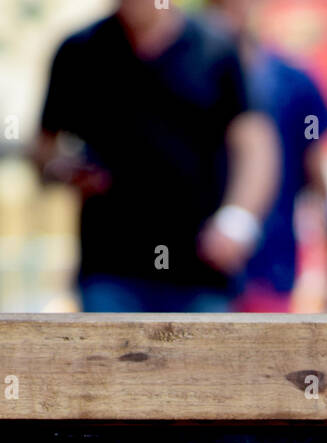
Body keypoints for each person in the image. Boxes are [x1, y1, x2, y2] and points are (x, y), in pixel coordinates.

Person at [33, 0, 280, 311]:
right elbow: (43, 146)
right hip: (111, 265)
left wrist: (237, 220)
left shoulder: (215, 48)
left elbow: (256, 145)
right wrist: (63, 169)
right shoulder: (80, 51)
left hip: (200, 267)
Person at [206, 0, 327, 312]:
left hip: (271, 265)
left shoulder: (294, 82)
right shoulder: (188, 73)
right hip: (197, 268)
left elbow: (317, 176)